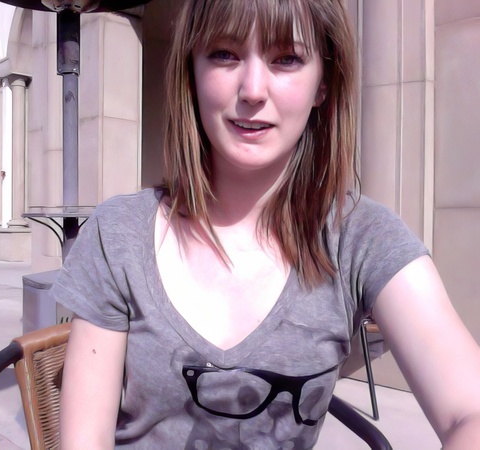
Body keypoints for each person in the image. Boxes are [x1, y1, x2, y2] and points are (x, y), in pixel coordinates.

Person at [50, 0, 480, 448]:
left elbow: (468, 410)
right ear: (191, 72)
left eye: (286, 58)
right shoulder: (118, 234)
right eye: (224, 53)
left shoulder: (361, 237)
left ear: (323, 83)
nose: (253, 89)